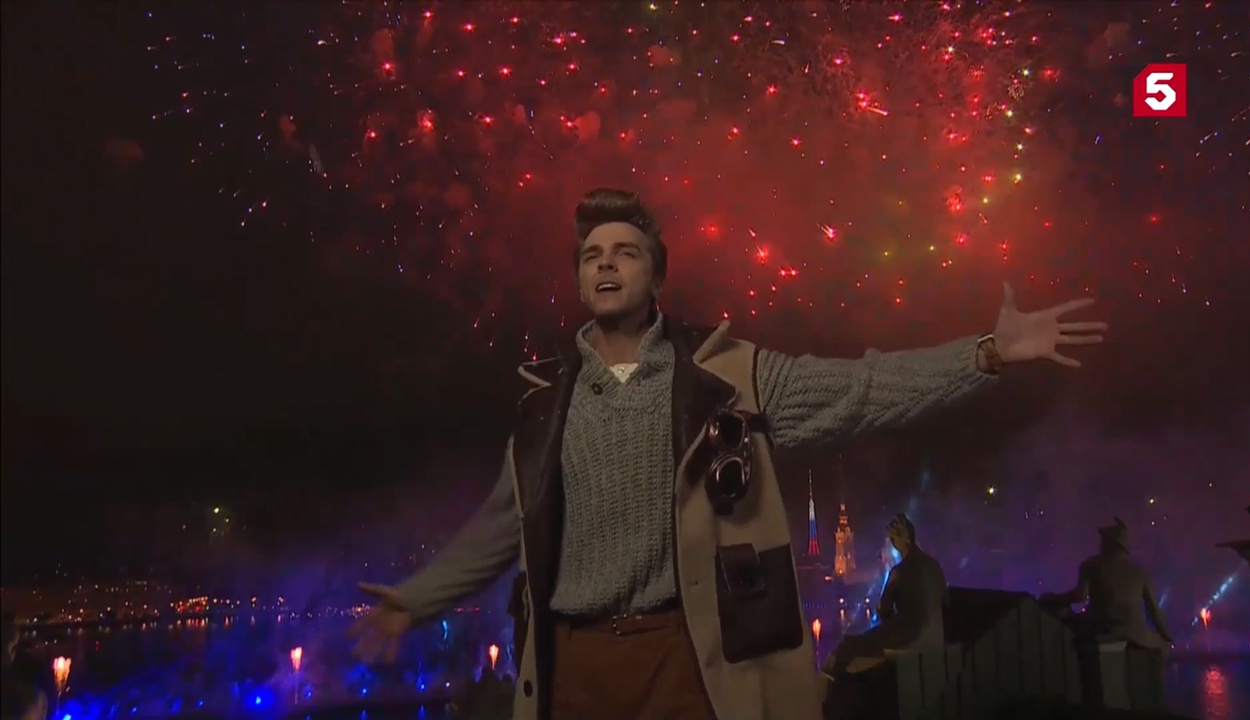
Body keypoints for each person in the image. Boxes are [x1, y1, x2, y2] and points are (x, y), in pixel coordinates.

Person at [349, 188, 1107, 720]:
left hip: (685, 661)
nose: (606, 265)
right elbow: (498, 526)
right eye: (591, 255)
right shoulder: (545, 402)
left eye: (625, 252)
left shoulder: (731, 377)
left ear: (656, 274)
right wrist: (415, 600)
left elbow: (863, 388)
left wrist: (984, 354)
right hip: (572, 666)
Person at [822, 514, 948, 676]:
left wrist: (890, 622)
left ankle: (830, 680)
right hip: (935, 634)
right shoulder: (934, 566)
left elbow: (884, 610)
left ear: (900, 540)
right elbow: (945, 600)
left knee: (847, 645)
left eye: (892, 540)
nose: (892, 544)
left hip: (909, 636)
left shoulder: (899, 571)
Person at [1040, 517, 1174, 650]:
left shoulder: (1091, 564)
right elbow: (1154, 610)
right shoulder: (1140, 572)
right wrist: (1166, 635)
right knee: (1161, 647)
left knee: (1062, 614)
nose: (1100, 543)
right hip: (1134, 632)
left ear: (1110, 542)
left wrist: (1052, 598)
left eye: (1103, 539)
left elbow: (1080, 596)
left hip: (1102, 629)